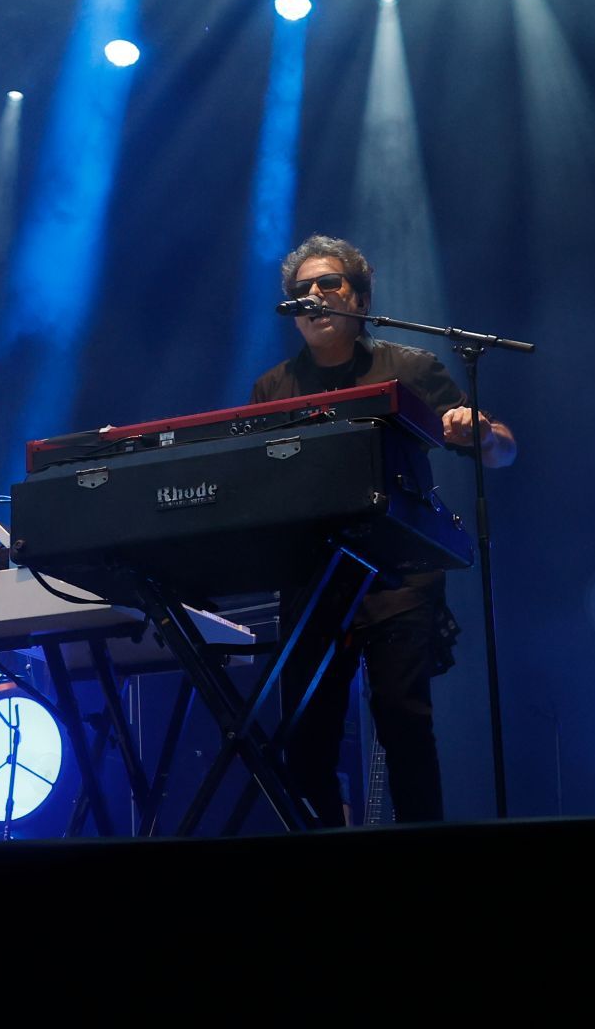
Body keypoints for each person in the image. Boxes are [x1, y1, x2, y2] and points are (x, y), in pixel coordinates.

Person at [251, 234, 516, 825]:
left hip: (399, 576)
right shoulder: (273, 388)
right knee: (306, 740)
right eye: (303, 290)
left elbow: (500, 450)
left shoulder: (410, 367)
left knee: (404, 723)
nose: (314, 296)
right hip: (313, 579)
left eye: (329, 284)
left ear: (361, 299)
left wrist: (481, 432)